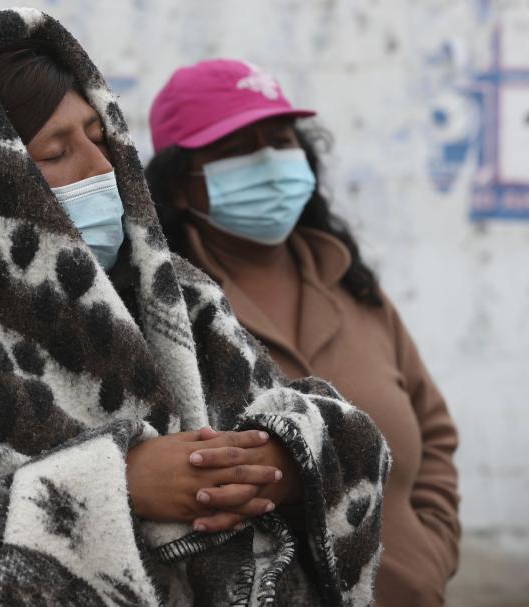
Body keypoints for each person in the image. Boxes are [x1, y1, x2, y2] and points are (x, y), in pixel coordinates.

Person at [0, 9, 391, 606]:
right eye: (56, 152)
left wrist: (282, 460)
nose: (102, 167)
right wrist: (115, 485)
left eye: (98, 137)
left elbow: (330, 429)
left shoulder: (179, 301)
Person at [145, 59, 460, 606]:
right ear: (177, 186)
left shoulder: (351, 284)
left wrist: (432, 551)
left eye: (281, 140)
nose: (268, 161)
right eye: (237, 148)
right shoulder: (162, 312)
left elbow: (434, 435)